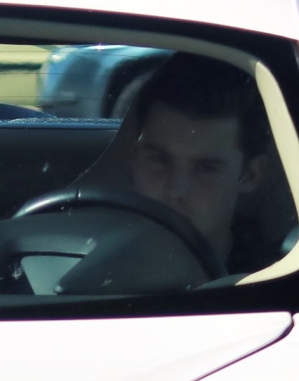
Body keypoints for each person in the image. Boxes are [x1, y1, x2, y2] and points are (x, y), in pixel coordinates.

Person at [116, 55, 273, 270]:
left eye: (205, 168)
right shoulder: (82, 251)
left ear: (249, 175)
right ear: (135, 157)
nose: (175, 191)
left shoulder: (269, 282)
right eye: (158, 159)